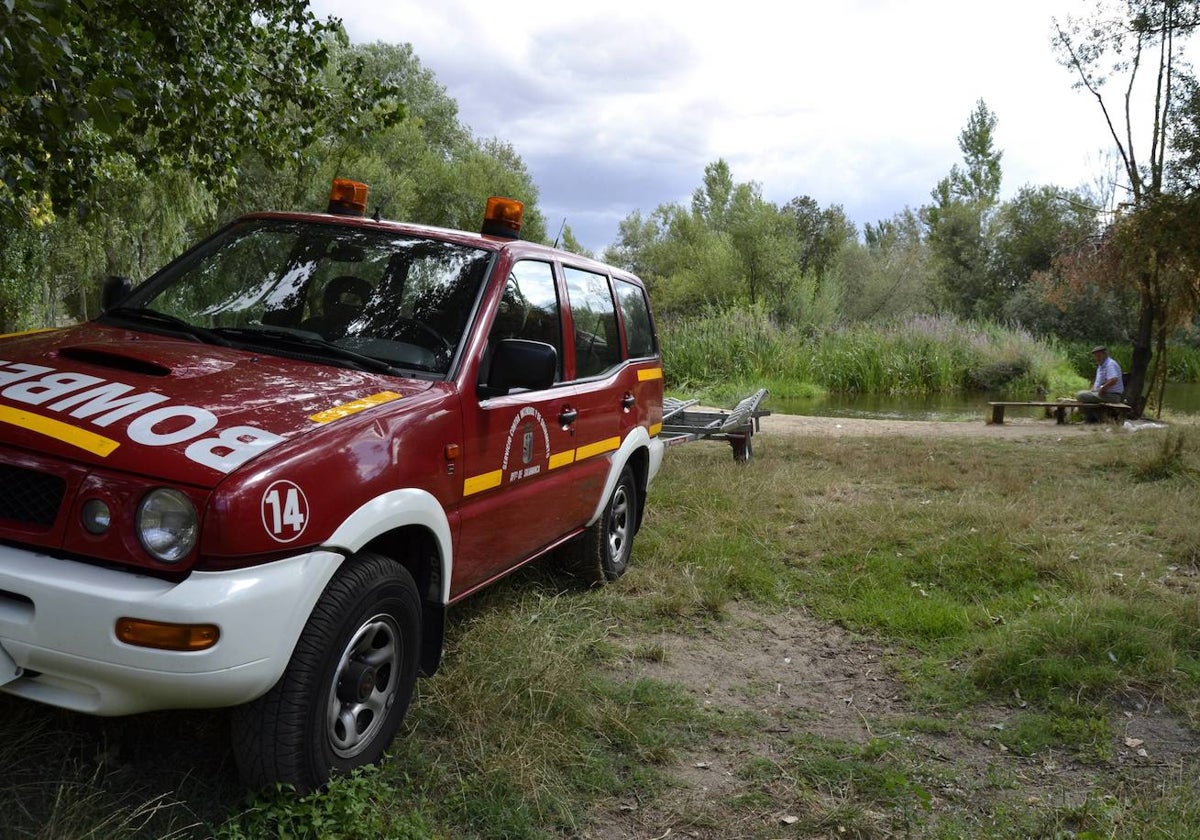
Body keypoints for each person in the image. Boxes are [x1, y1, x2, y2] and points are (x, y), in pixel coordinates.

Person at [1075, 345, 1124, 421]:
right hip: (1105, 394)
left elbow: (1113, 379)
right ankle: (1091, 418)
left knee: (1080, 395)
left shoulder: (1110, 364)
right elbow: (1098, 382)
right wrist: (1092, 390)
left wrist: (1102, 389)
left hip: (1112, 395)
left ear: (1105, 354)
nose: (1097, 358)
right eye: (1095, 356)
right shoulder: (1101, 366)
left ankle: (1092, 419)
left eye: (1099, 356)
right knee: (1083, 394)